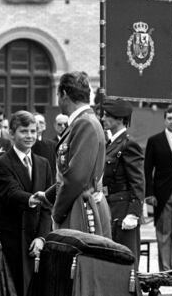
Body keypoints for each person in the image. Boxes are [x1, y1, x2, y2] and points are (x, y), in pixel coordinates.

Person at [36, 71, 111, 237]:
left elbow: (76, 178)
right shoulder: (83, 121)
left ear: (64, 94)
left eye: (57, 94)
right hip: (77, 204)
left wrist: (57, 212)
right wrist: (48, 196)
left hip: (80, 210)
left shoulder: (84, 123)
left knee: (76, 261)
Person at [0, 111, 52, 296]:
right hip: (11, 239)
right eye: (24, 131)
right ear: (11, 133)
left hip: (36, 241)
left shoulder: (44, 164)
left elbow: (48, 207)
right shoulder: (0, 163)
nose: (30, 136)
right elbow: (11, 193)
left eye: (33, 131)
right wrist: (34, 198)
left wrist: (42, 237)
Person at [101, 99, 144, 270]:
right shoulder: (110, 144)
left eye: (107, 116)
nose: (103, 119)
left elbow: (138, 181)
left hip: (123, 210)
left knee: (126, 262)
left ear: (119, 119)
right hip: (110, 206)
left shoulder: (128, 144)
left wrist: (134, 213)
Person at [144, 105, 172, 271]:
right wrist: (149, 194)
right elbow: (147, 170)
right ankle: (166, 270)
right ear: (164, 120)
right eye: (169, 118)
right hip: (162, 194)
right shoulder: (155, 141)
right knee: (163, 233)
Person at [32, 113, 56, 177]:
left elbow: (54, 168)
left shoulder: (52, 145)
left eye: (41, 122)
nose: (38, 125)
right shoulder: (25, 144)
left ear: (45, 126)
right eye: (35, 122)